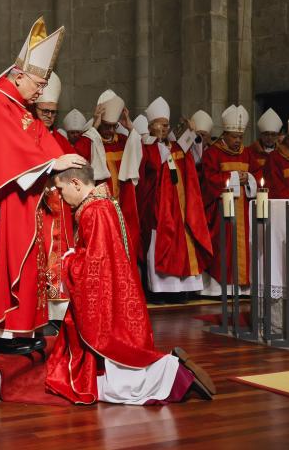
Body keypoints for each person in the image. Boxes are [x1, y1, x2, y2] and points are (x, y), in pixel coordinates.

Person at [0, 17, 86, 355]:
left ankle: (13, 329)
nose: (40, 91)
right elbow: (6, 153)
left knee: (25, 263)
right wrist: (51, 165)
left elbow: (41, 141)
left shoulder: (18, 105)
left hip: (19, 199)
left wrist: (70, 171)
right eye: (39, 84)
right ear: (19, 75)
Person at [45, 165, 216, 404]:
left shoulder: (94, 211)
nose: (61, 196)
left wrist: (68, 260)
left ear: (76, 183)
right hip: (118, 288)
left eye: (62, 189)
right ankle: (171, 369)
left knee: (121, 383)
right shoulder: (105, 204)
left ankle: (175, 374)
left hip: (108, 292)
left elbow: (96, 265)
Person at [137, 97, 212, 301]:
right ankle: (158, 290)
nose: (164, 128)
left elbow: (194, 157)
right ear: (151, 126)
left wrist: (192, 133)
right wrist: (162, 143)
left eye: (166, 124)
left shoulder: (176, 147)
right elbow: (151, 166)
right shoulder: (147, 147)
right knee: (158, 248)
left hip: (179, 208)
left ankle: (179, 290)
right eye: (160, 124)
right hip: (158, 209)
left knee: (181, 250)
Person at [74, 89, 142, 256]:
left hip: (122, 208)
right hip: (99, 210)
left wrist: (130, 127)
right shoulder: (91, 142)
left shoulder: (124, 142)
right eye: (106, 126)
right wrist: (95, 127)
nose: (111, 131)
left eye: (114, 126)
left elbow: (142, 159)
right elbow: (78, 155)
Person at [199, 105, 258, 295]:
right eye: (234, 137)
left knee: (245, 246)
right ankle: (218, 289)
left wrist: (248, 179)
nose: (238, 140)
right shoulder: (212, 153)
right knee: (223, 246)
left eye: (240, 137)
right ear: (224, 134)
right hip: (221, 211)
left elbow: (258, 175)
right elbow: (208, 181)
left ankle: (243, 288)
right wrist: (234, 178)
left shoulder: (248, 153)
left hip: (244, 210)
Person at [33, 71, 74, 323]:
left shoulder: (60, 138)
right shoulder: (28, 133)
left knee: (61, 254)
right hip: (39, 205)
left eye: (53, 112)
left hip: (61, 206)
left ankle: (58, 313)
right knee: (43, 255)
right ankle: (41, 313)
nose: (49, 116)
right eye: (44, 111)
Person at [247, 107, 282, 176]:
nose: (269, 137)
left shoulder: (282, 152)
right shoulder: (250, 152)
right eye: (266, 134)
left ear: (278, 136)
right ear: (261, 135)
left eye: (273, 134)